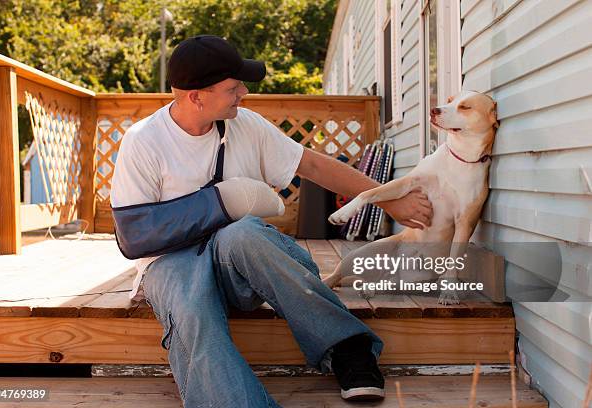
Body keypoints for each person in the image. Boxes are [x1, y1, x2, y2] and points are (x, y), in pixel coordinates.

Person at [110, 34, 433, 408]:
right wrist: (221, 201)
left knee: (244, 233)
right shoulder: (143, 141)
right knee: (192, 309)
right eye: (233, 87)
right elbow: (134, 237)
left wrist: (389, 200)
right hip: (170, 264)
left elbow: (310, 163)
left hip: (239, 269)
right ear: (196, 96)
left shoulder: (246, 125)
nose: (243, 93)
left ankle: (348, 348)